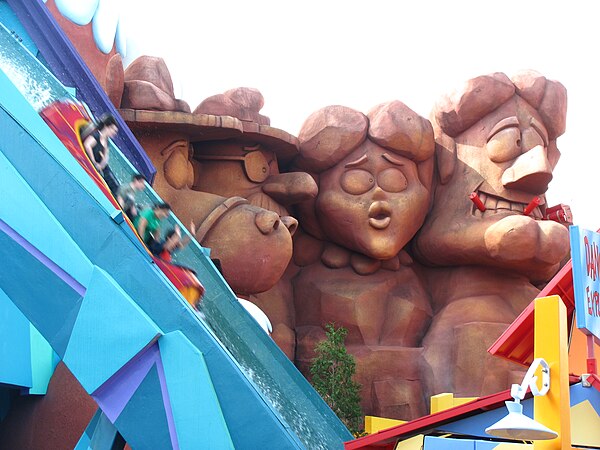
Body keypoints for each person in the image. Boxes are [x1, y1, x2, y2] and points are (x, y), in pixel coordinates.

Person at [82, 113, 120, 192]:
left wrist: (101, 165)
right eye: (113, 130)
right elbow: (87, 145)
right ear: (107, 126)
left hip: (101, 166)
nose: (114, 133)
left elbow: (106, 157)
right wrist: (93, 161)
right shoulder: (97, 136)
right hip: (93, 163)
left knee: (116, 185)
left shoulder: (106, 141)